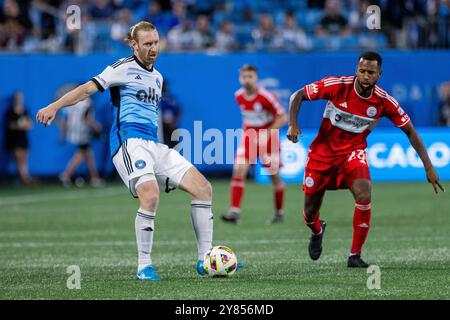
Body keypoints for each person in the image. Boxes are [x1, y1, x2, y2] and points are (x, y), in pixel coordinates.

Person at [36, 21, 222, 281]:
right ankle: (144, 266)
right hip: (129, 143)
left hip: (155, 146)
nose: (153, 48)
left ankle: (205, 260)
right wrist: (54, 106)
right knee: (151, 194)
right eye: (147, 43)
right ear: (134, 45)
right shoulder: (121, 68)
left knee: (203, 188)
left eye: (156, 42)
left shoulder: (157, 77)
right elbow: (87, 89)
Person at [287, 51, 445, 268]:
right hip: (321, 155)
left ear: (379, 74)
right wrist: (292, 124)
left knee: (364, 192)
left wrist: (429, 167)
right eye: (362, 71)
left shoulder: (384, 101)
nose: (365, 76)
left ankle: (355, 255)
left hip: (352, 152)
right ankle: (317, 230)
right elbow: (298, 95)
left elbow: (410, 131)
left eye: (371, 72)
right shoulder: (337, 85)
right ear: (356, 71)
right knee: (310, 212)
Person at [222, 65, 288, 225]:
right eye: (244, 77)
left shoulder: (266, 96)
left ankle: (279, 213)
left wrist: (266, 133)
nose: (247, 80)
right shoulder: (238, 96)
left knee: (275, 178)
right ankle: (234, 211)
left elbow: (282, 118)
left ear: (256, 78)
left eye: (250, 76)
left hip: (269, 140)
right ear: (240, 79)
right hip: (250, 139)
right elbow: (248, 118)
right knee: (238, 169)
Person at [57, 89, 104, 188]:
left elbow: (64, 119)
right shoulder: (87, 102)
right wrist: (96, 126)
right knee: (82, 153)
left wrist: (63, 134)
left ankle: (94, 178)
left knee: (88, 154)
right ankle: (66, 175)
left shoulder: (72, 101)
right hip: (82, 131)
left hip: (73, 131)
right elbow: (86, 119)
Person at [4, 91, 36, 185]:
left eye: (20, 97)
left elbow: (30, 124)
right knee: (19, 159)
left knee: (24, 159)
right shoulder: (10, 112)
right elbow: (10, 125)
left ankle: (24, 178)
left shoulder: (25, 110)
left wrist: (22, 125)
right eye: (17, 97)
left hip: (23, 138)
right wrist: (20, 124)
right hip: (14, 139)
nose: (19, 99)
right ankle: (25, 179)